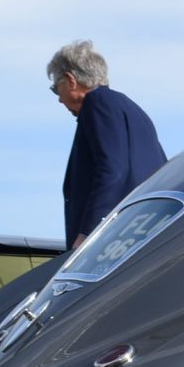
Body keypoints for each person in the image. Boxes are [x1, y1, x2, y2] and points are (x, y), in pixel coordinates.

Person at [47, 40, 167, 249]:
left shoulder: (97, 103)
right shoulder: (130, 108)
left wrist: (89, 233)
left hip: (113, 238)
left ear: (70, 80)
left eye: (56, 89)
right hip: (143, 229)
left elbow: (113, 169)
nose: (59, 100)